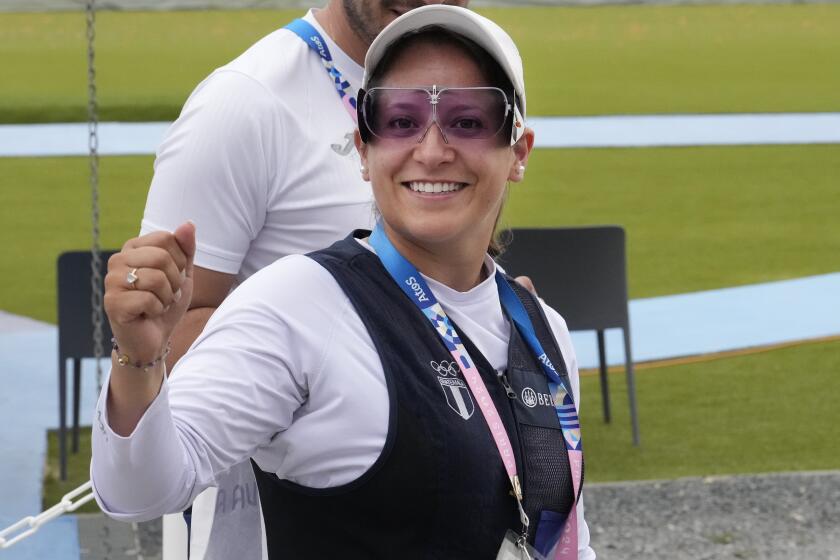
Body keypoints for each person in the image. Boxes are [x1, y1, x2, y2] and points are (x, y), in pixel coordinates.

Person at [93, 6, 595, 559]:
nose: (431, 151)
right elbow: (137, 490)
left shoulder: (541, 330)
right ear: (362, 148)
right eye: (399, 120)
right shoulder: (295, 301)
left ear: (518, 152)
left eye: (468, 119)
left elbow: (566, 539)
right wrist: (139, 361)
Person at [142, 1, 466, 556]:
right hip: (271, 523)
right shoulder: (245, 100)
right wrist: (341, 355)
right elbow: (164, 336)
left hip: (431, 497)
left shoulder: (470, 87)